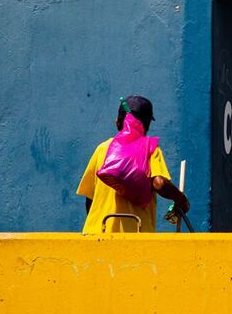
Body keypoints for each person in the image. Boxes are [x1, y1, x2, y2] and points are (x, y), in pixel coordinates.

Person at [77, 96, 189, 233]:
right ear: (147, 125)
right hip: (135, 235)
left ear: (117, 123)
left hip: (97, 234)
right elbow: (159, 183)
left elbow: (90, 198)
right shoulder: (150, 149)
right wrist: (181, 200)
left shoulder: (102, 149)